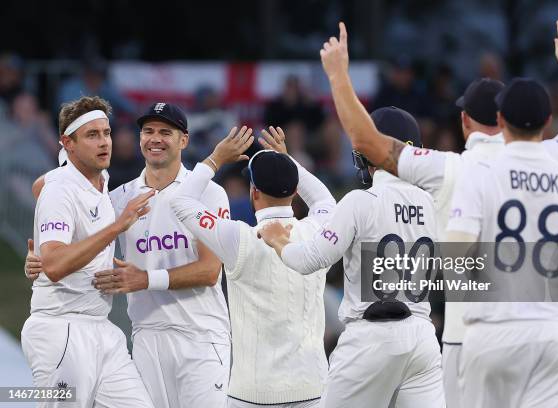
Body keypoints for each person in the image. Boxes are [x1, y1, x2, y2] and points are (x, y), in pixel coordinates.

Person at [318, 20, 558, 407]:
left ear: (465, 121)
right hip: (552, 330)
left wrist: (338, 77)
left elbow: (369, 142)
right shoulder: (553, 159)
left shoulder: (447, 167)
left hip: (473, 334)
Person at [26, 102, 232, 408]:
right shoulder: (122, 198)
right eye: (148, 131)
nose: (155, 138)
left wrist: (145, 279)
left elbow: (210, 271)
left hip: (200, 336)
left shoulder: (205, 193)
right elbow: (48, 188)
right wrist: (47, 254)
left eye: (166, 131)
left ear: (184, 140)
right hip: (139, 336)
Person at [259, 107, 445, 408]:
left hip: (370, 340)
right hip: (422, 340)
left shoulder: (360, 201)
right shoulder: (434, 203)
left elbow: (308, 261)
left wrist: (279, 240)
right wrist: (290, 161)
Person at [446, 77, 558, 407]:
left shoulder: (478, 173)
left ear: (500, 119)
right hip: (553, 332)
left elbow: (455, 259)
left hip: (492, 330)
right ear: (549, 122)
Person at [170, 126, 336, 407]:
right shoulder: (317, 231)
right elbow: (323, 200)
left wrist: (215, 159)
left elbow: (181, 200)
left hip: (252, 394)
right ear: (295, 191)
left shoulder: (237, 238)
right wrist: (288, 161)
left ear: (253, 192)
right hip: (313, 389)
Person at [21, 96, 155, 407]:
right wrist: (116, 227)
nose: (104, 142)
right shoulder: (61, 188)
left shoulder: (97, 178)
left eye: (106, 133)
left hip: (100, 328)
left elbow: (40, 185)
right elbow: (53, 266)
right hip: (61, 327)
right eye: (92, 135)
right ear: (68, 143)